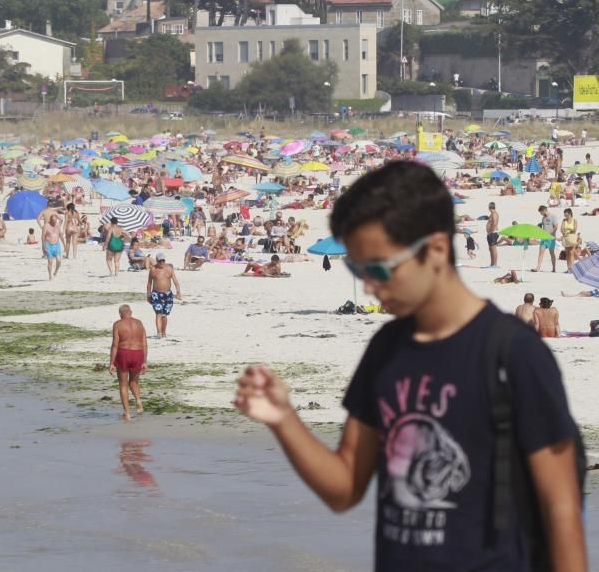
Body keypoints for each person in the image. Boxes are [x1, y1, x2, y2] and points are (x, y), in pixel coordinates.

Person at [234, 161, 585, 571]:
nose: (368, 285)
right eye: (356, 268)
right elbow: (344, 487)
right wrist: (283, 418)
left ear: (435, 249)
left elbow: (561, 512)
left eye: (379, 269)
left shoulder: (514, 355)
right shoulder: (387, 349)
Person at [108, 304, 148, 420]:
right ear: (131, 312)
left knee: (123, 384)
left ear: (120, 314)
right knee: (134, 381)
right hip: (138, 353)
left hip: (124, 353)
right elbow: (145, 343)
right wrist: (144, 361)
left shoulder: (118, 324)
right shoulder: (139, 323)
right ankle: (138, 401)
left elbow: (115, 344)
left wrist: (111, 363)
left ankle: (127, 413)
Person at [147, 253, 182, 338]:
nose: (161, 262)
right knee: (158, 313)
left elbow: (175, 281)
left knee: (164, 315)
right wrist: (148, 295)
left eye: (163, 261)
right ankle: (159, 333)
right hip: (156, 294)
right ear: (157, 261)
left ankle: (163, 333)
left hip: (167, 294)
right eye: (160, 261)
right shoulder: (153, 269)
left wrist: (178, 292)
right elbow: (149, 283)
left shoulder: (169, 269)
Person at [534, 205, 558, 273]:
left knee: (551, 253)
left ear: (544, 210)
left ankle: (554, 268)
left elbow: (556, 227)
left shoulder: (553, 216)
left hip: (551, 238)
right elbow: (543, 226)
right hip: (544, 238)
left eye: (541, 212)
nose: (541, 214)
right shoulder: (543, 218)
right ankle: (538, 267)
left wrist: (550, 233)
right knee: (541, 252)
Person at [42, 214, 64, 280]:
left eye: (55, 221)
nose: (54, 222)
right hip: (48, 244)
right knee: (50, 261)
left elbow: (60, 234)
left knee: (59, 261)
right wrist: (44, 246)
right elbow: (43, 236)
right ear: (50, 220)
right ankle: (50, 276)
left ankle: (55, 272)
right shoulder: (46, 226)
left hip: (56, 244)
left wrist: (64, 244)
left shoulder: (57, 225)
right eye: (53, 221)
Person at [486, 201, 500, 268]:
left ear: (489, 207)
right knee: (491, 248)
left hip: (493, 233)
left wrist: (490, 231)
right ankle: (492, 264)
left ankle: (495, 264)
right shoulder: (493, 213)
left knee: (493, 248)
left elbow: (494, 223)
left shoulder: (494, 214)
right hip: (492, 233)